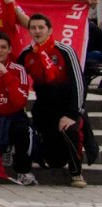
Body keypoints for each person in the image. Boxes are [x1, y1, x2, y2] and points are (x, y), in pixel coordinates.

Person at [17, 14, 86, 187]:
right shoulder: (26, 54)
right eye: (33, 28)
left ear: (50, 30)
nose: (37, 31)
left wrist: (72, 113)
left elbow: (79, 83)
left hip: (67, 107)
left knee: (70, 131)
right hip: (44, 110)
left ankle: (76, 173)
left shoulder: (64, 51)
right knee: (55, 161)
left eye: (41, 27)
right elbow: (15, 77)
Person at [0, 32, 35, 186]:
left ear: (9, 50)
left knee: (23, 131)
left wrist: (6, 74)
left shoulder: (18, 69)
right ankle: (4, 148)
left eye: (3, 47)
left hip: (13, 115)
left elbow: (20, 101)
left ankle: (23, 171)